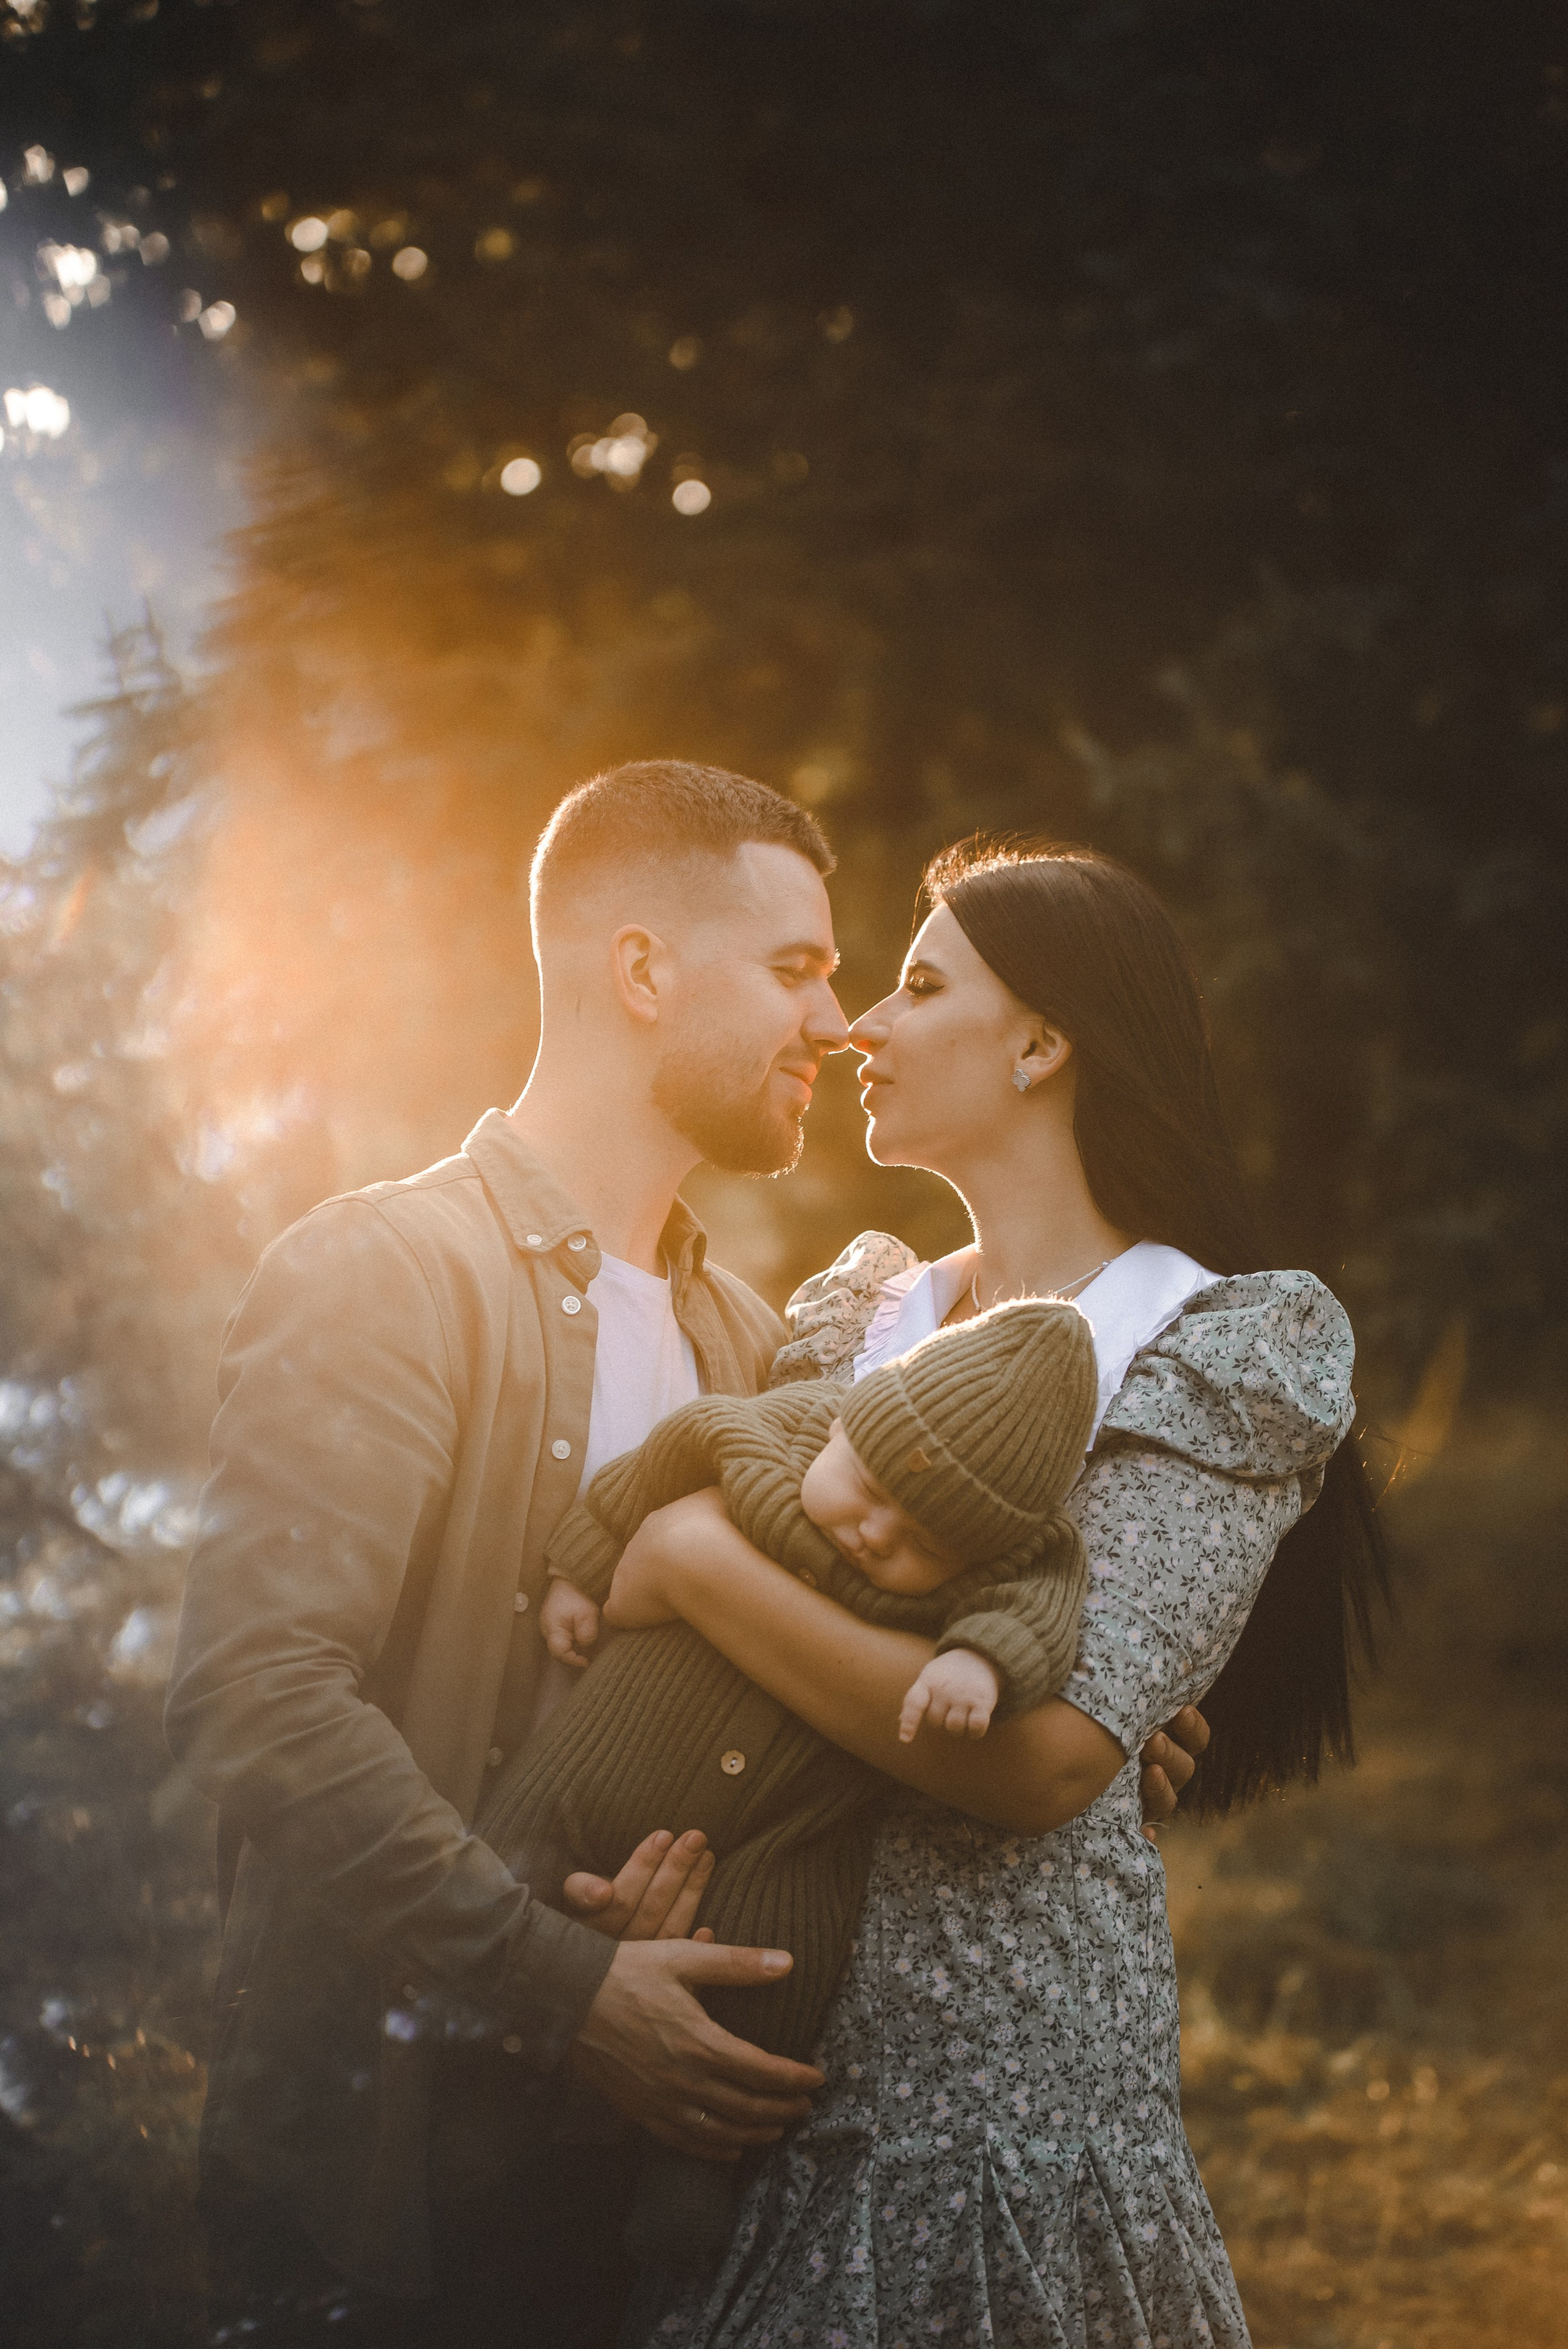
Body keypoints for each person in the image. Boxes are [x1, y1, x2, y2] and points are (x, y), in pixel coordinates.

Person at [163, 766, 1205, 2349]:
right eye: (796, 968)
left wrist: (1065, 1704)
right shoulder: (384, 1271)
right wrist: (568, 1985)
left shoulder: (752, 1344)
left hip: (632, 2183)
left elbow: (816, 1665)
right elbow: (259, 1701)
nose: (838, 1023)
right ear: (642, 970)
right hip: (383, 2185)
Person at [592, 837, 1385, 2347]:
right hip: (761, 2074)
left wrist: (691, 1564)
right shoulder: (850, 1319)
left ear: (1038, 1044)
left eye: (916, 986)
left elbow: (1044, 1763)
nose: (856, 1028)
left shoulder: (1212, 1341)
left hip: (999, 2112)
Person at [478, 1296, 1098, 2275]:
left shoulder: (1024, 1555)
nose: (876, 1532)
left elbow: (1044, 1610)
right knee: (515, 1854)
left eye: (926, 1542)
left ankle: (696, 2160)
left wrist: (980, 1662)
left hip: (782, 1829)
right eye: (869, 1486)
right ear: (845, 1423)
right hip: (614, 1754)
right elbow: (655, 1463)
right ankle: (475, 2087)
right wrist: (579, 1570)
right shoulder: (777, 1426)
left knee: (776, 1960)